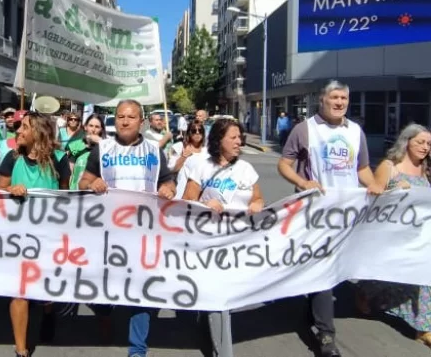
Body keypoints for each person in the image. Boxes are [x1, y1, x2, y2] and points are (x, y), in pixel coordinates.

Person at [277, 80, 383, 357]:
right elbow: (283, 164)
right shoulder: (305, 129)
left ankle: (310, 311)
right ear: (321, 100)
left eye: (344, 99)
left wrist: (375, 187)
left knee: (329, 269)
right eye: (334, 98)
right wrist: (303, 182)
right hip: (314, 213)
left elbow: (362, 169)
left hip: (346, 213)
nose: (339, 103)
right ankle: (326, 335)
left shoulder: (355, 131)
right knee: (323, 269)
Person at [78, 99, 176, 357]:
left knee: (140, 291)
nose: (124, 121)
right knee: (101, 287)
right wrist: (93, 184)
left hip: (144, 232)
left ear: (141, 121)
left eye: (130, 117)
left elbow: (168, 182)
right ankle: (104, 312)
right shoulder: (103, 149)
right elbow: (82, 182)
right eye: (120, 116)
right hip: (108, 232)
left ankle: (137, 348)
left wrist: (168, 189)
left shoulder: (154, 150)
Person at [182, 118, 265, 357]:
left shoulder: (246, 169)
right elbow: (187, 202)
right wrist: (206, 205)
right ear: (219, 140)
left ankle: (204, 324)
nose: (239, 142)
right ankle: (223, 351)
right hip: (209, 242)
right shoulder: (202, 166)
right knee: (220, 301)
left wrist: (258, 203)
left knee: (222, 298)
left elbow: (258, 198)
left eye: (240, 138)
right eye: (234, 137)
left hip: (237, 243)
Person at [0, 111, 71, 357]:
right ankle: (21, 350)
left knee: (44, 287)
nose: (18, 131)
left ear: (38, 133)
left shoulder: (60, 160)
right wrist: (10, 190)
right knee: (19, 291)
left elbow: (66, 198)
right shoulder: (11, 158)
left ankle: (48, 313)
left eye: (24, 128)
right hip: (17, 234)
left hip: (48, 235)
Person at [357, 124, 431, 347]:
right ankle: (365, 291)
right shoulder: (390, 167)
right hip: (391, 236)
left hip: (418, 236)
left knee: (424, 276)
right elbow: (374, 196)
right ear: (406, 141)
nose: (425, 147)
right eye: (420, 142)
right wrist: (394, 190)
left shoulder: (426, 171)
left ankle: (424, 327)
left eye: (428, 144)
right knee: (387, 276)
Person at [66, 114, 105, 189]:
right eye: (91, 126)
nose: (93, 129)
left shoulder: (105, 148)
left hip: (96, 194)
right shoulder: (76, 146)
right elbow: (69, 174)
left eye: (97, 127)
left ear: (101, 129)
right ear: (85, 127)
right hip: (76, 192)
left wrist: (101, 143)